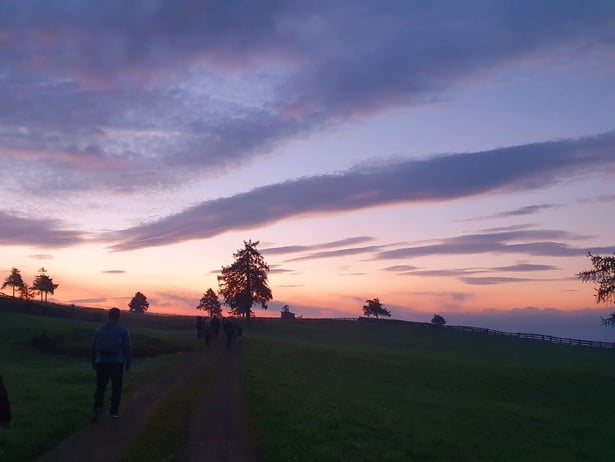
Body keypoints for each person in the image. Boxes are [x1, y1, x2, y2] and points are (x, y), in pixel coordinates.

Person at [91, 307, 132, 421]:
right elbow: (127, 347)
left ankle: (98, 406)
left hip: (101, 362)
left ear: (108, 316)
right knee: (116, 387)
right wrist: (128, 361)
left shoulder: (100, 329)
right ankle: (114, 411)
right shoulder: (123, 330)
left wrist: (94, 361)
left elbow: (93, 347)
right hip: (117, 363)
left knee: (100, 387)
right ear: (119, 316)